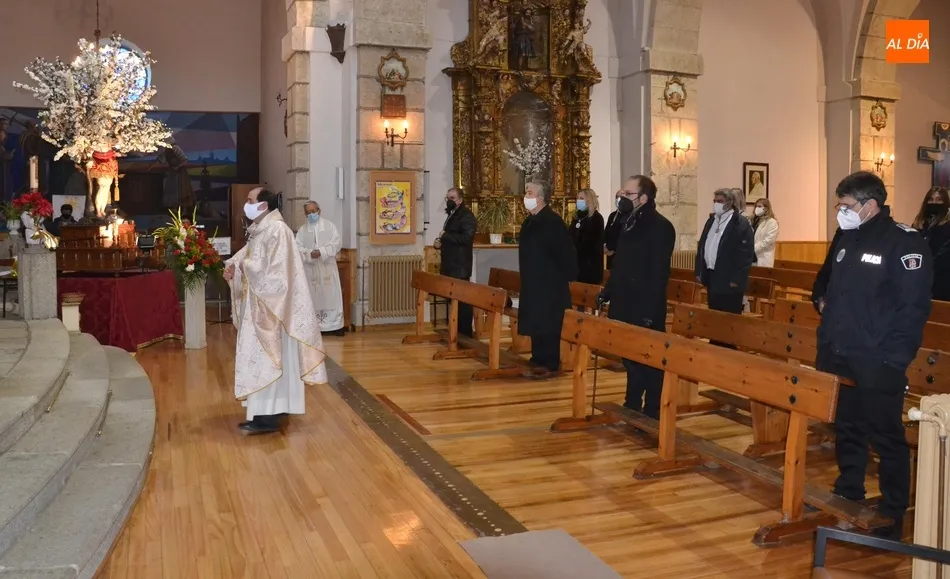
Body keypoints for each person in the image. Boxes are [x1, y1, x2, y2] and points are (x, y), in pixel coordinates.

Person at [811, 171, 932, 541]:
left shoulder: (904, 244)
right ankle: (849, 488)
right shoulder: (848, 237)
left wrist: (895, 360)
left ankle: (892, 513)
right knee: (847, 427)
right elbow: (837, 291)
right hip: (841, 353)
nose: (840, 211)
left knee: (886, 436)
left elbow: (912, 310)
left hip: (878, 359)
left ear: (870, 205)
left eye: (845, 205)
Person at [223, 187, 327, 434]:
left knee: (269, 360)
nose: (245, 204)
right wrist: (234, 267)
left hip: (272, 311)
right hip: (262, 308)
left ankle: (268, 416)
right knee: (265, 361)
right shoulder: (261, 231)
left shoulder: (277, 231)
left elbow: (277, 275)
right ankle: (268, 411)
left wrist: (244, 267)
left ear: (263, 206)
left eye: (249, 200)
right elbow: (247, 258)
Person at [597, 176, 675, 418]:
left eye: (627, 195)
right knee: (630, 357)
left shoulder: (660, 226)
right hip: (624, 301)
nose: (622, 199)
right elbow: (619, 263)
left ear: (643, 198)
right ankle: (632, 403)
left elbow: (657, 273)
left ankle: (652, 410)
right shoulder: (628, 221)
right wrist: (608, 291)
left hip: (644, 306)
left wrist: (649, 313)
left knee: (649, 360)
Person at [518, 180, 578, 378]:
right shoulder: (530, 221)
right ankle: (538, 357)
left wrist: (562, 277)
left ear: (541, 198)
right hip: (533, 280)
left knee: (549, 321)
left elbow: (565, 253)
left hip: (550, 283)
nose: (526, 196)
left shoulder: (552, 222)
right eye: (526, 192)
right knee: (536, 320)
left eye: (529, 192)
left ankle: (550, 362)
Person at [695, 187, 755, 316]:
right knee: (714, 316)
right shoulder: (712, 220)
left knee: (728, 320)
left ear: (729, 202)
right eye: (714, 201)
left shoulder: (740, 223)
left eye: (720, 201)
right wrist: (700, 270)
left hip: (729, 280)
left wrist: (736, 279)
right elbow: (703, 245)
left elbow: (745, 255)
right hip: (713, 277)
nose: (716, 204)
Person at [295, 201, 345, 336]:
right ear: (305, 214)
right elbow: (297, 248)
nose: (312, 214)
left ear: (319, 210)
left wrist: (321, 252)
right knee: (313, 296)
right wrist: (310, 253)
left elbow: (336, 243)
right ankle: (314, 327)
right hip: (311, 271)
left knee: (331, 295)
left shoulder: (330, 226)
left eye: (314, 211)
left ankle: (335, 326)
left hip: (327, 267)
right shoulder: (302, 230)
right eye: (309, 212)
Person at [434, 187, 477, 337]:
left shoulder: (466, 216)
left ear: (460, 200)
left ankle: (464, 333)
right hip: (450, 265)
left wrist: (445, 236)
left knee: (463, 303)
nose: (449, 201)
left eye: (452, 198)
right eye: (447, 198)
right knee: (452, 300)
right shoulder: (452, 214)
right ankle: (454, 330)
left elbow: (466, 239)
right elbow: (450, 236)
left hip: (459, 267)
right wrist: (439, 241)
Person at [912, 186, 950, 300]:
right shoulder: (919, 223)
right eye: (931, 199)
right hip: (920, 276)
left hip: (942, 279)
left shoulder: (947, 225)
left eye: (939, 200)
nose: (934, 203)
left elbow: (944, 252)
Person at [569, 188, 605, 285]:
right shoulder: (577, 217)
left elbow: (590, 244)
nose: (578, 201)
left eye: (581, 198)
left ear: (589, 200)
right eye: (577, 198)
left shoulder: (596, 218)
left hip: (589, 267)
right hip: (576, 265)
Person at [750, 198, 779, 267]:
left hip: (763, 258)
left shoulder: (772, 222)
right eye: (756, 206)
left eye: (760, 206)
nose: (757, 208)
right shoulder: (753, 221)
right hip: (751, 258)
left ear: (766, 208)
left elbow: (768, 241)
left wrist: (752, 248)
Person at [604, 190, 627, 270]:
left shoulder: (629, 216)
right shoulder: (613, 215)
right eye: (618, 197)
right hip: (610, 253)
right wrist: (605, 246)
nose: (620, 200)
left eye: (623, 197)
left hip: (622, 254)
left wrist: (613, 249)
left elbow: (624, 235)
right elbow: (606, 231)